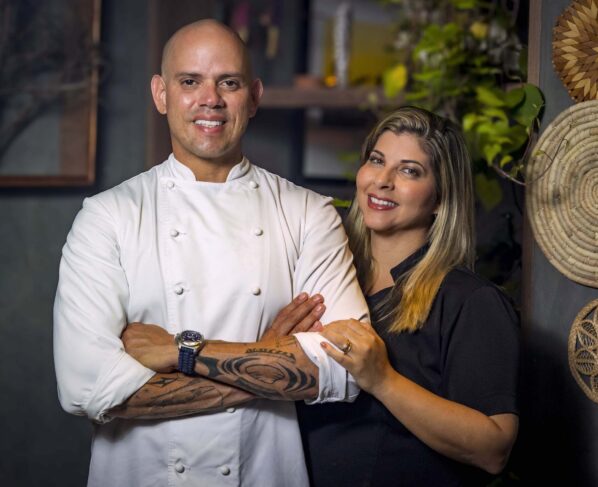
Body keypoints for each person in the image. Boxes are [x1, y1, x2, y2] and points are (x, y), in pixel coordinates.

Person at [53, 19, 367, 487]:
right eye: (189, 81)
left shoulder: (307, 213)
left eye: (230, 83)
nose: (210, 99)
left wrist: (181, 351)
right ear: (161, 94)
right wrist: (273, 355)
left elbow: (349, 364)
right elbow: (88, 388)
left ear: (254, 97)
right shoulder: (107, 218)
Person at [292, 106, 520, 486]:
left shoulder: (469, 300)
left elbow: (493, 448)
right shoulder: (323, 279)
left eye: (409, 170)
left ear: (440, 199)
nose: (382, 180)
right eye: (377, 161)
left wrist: (383, 380)